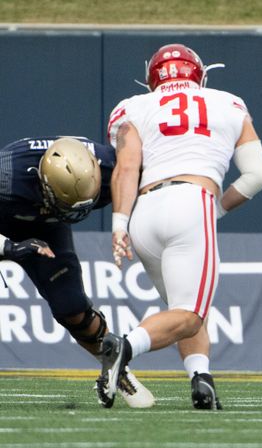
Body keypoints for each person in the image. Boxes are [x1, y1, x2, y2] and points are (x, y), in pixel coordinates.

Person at [100, 43, 262, 410]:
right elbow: (257, 175)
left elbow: (126, 169)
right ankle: (124, 347)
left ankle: (201, 379)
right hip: (192, 202)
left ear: (152, 79)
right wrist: (217, 211)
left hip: (143, 211)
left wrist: (119, 224)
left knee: (184, 310)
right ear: (200, 74)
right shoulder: (228, 103)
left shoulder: (134, 107)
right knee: (190, 314)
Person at [0, 136, 154, 408]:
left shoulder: (111, 168)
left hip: (47, 226)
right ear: (43, 182)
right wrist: (10, 247)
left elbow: (155, 176)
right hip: (5, 225)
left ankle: (116, 368)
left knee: (71, 306)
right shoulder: (7, 177)